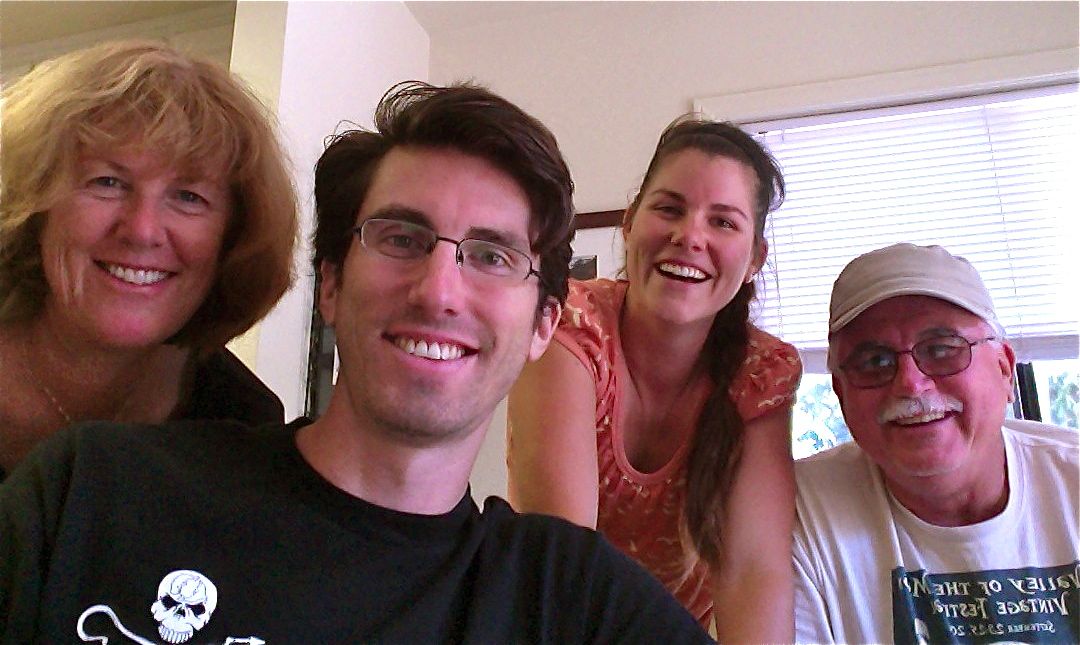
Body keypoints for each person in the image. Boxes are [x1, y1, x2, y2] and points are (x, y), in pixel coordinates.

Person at [0, 81, 711, 643]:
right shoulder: (92, 489)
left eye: (492, 256)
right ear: (332, 284)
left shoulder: (570, 599)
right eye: (401, 237)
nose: (438, 290)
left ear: (542, 325)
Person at [508, 115, 802, 639]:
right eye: (669, 208)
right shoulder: (570, 323)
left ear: (755, 257)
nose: (689, 236)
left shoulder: (760, 373)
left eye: (724, 222)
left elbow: (754, 574)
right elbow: (567, 565)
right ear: (630, 222)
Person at [0, 40, 298, 479]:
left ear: (232, 237)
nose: (142, 230)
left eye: (187, 196)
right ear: (36, 206)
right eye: (107, 182)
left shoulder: (238, 420)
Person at [793, 243, 1079, 644]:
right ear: (840, 394)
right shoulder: (797, 514)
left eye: (942, 350)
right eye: (874, 362)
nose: (910, 383)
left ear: (1005, 370)